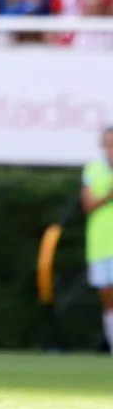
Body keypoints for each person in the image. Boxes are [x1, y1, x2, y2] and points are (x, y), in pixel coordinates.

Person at [82, 126, 113, 355]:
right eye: (108, 144)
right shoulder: (93, 170)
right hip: (101, 244)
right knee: (107, 298)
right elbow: (88, 205)